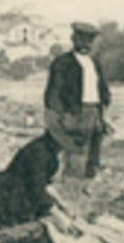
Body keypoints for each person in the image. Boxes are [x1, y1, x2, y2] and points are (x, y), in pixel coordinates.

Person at [44, 21, 111, 179]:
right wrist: (62, 117)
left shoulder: (94, 63)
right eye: (82, 39)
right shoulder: (62, 63)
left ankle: (88, 184)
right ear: (73, 39)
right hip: (75, 113)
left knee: (94, 152)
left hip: (94, 112)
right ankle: (72, 184)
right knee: (75, 151)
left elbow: (102, 88)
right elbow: (53, 93)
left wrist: (103, 107)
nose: (86, 43)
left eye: (90, 40)